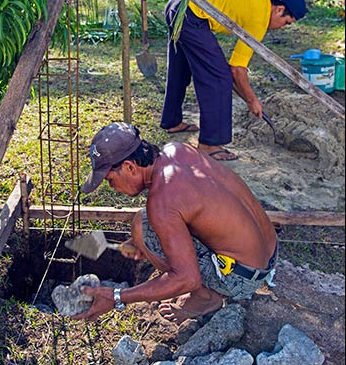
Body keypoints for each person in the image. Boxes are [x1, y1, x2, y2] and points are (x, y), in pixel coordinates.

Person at [74, 121, 278, 324]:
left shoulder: (162, 201)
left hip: (241, 278)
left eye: (110, 180)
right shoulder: (177, 149)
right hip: (269, 253)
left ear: (129, 167)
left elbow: (187, 278)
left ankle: (204, 298)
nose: (112, 187)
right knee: (145, 228)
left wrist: (116, 297)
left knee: (141, 225)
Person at [160, 0, 307, 160]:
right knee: (219, 78)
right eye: (286, 22)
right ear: (279, 9)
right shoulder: (260, 18)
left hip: (175, 4)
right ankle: (209, 144)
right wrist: (252, 99)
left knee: (180, 69)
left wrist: (247, 97)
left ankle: (172, 121)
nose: (282, 27)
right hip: (192, 14)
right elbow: (236, 69)